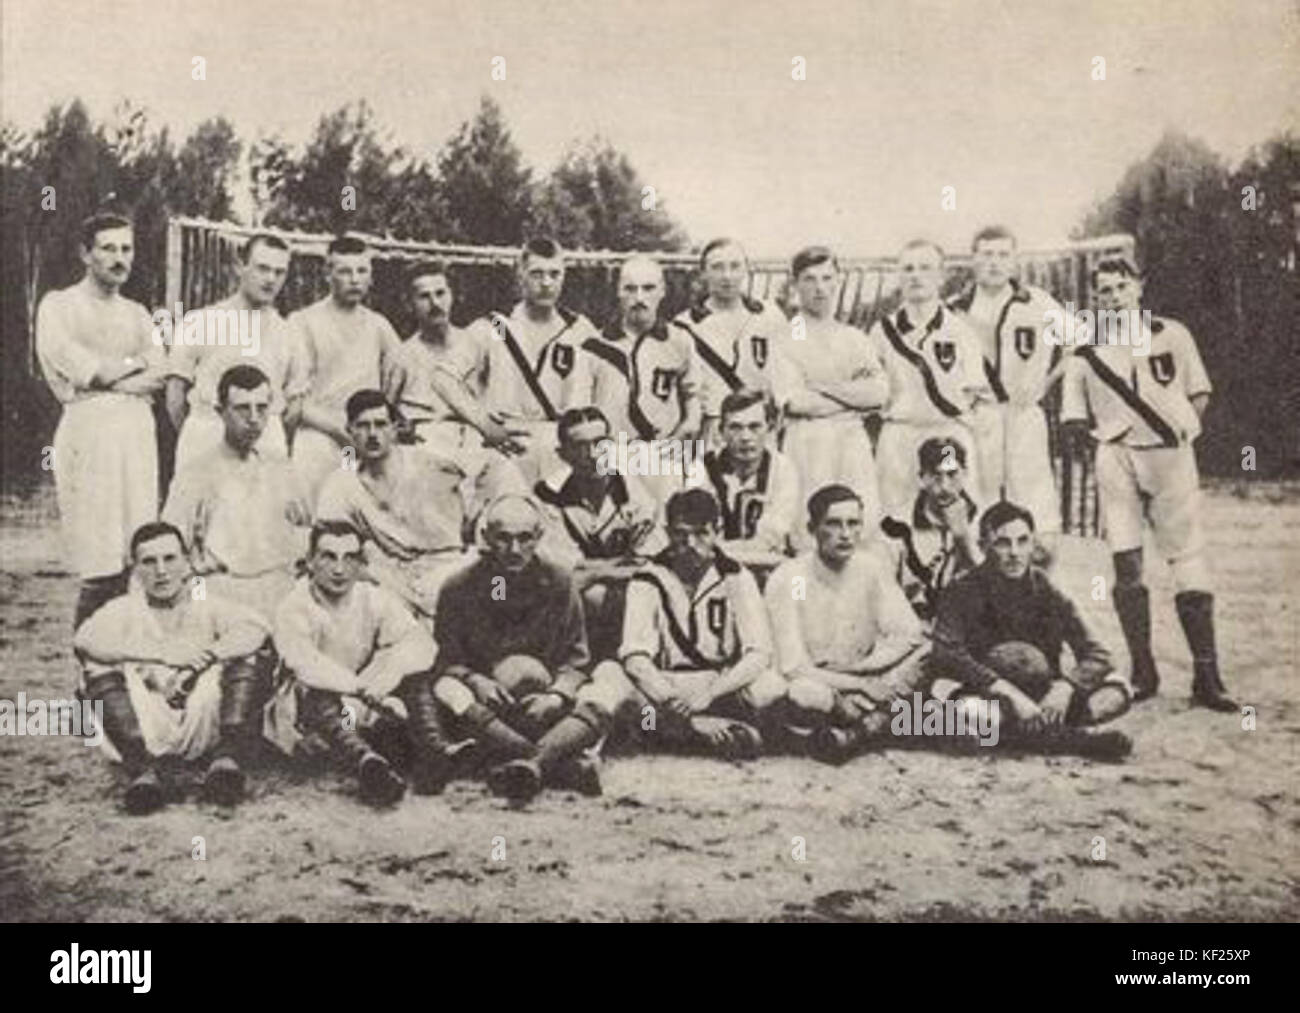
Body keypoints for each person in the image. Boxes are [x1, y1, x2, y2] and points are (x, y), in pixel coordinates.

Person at [1060, 256, 1234, 711]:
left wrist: (1176, 436)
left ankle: (1207, 676)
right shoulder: (1085, 349)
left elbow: (1200, 393)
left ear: (1139, 287)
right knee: (1126, 563)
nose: (1114, 298)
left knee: (1187, 557)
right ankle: (1143, 670)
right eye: (1104, 291)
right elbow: (1074, 417)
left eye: (1121, 288)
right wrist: (1101, 446)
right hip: (1115, 456)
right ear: (1095, 298)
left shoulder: (1172, 335)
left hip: (1171, 458)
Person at [431, 495, 629, 802]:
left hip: (547, 707)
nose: (514, 549)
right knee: (446, 688)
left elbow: (577, 660)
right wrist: (475, 680)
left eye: (524, 538)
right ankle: (561, 763)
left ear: (539, 537)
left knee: (611, 680)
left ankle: (529, 762)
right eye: (503, 538)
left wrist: (556, 694)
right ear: (486, 538)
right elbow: (446, 660)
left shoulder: (561, 582)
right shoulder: (459, 587)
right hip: (490, 711)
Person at [74, 522, 272, 812]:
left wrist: (201, 662)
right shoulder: (126, 608)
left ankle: (226, 759)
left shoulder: (204, 601)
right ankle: (143, 770)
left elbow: (255, 630)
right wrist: (161, 654)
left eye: (170, 559)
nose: (161, 571)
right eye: (149, 562)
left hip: (202, 720)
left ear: (186, 562)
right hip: (145, 725)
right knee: (95, 665)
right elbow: (84, 639)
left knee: (248, 654)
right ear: (135, 569)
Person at [37, 212, 167, 627]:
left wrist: (121, 373)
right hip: (89, 436)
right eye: (108, 248)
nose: (119, 258)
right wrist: (135, 365)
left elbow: (162, 373)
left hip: (137, 439)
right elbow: (91, 372)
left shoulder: (138, 313)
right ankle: (89, 672)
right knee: (100, 562)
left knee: (137, 555)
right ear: (85, 253)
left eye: (126, 249)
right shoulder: (59, 306)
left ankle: (124, 670)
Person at [272, 521, 461, 802]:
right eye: (328, 557)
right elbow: (304, 662)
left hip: (364, 704)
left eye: (350, 558)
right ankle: (367, 764)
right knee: (315, 692)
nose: (339, 569)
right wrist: (361, 689)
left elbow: (420, 642)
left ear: (361, 564)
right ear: (310, 561)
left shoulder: (372, 599)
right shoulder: (294, 606)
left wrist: (389, 675)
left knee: (414, 673)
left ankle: (435, 752)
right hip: (313, 715)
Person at [928, 501, 1133, 760]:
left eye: (1022, 541)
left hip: (1044, 696)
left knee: (1119, 691)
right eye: (1003, 543)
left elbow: (1098, 652)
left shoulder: (1046, 588)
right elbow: (945, 651)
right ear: (983, 546)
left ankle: (1024, 735)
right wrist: (1004, 690)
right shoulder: (962, 589)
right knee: (963, 708)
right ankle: (1072, 739)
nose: (1014, 552)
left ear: (1033, 544)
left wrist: (1066, 688)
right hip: (991, 698)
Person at [315, 389, 524, 622]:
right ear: (349, 431)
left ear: (395, 428)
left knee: (498, 597)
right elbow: (328, 537)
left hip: (452, 564)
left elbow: (496, 465)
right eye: (363, 426)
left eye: (381, 424)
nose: (373, 434)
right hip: (397, 578)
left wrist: (477, 522)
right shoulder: (343, 482)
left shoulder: (430, 458)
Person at [616, 488, 787, 758]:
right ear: (668, 532)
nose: (692, 544)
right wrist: (669, 698)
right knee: (625, 693)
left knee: (771, 686)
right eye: (681, 534)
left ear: (717, 531)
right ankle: (697, 730)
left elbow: (759, 652)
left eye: (701, 533)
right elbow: (634, 655)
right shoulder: (647, 578)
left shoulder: (736, 575)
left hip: (719, 688)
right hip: (667, 686)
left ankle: (686, 732)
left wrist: (711, 694)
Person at [765, 485, 928, 763]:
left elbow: (908, 635)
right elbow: (794, 666)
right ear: (812, 528)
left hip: (866, 676)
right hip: (820, 681)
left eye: (853, 524)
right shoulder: (795, 579)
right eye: (833, 524)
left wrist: (863, 672)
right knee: (803, 693)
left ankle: (857, 729)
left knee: (929, 651)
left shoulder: (870, 569)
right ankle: (871, 722)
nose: (845, 534)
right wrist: (856, 684)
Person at [947, 225, 1065, 556]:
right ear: (973, 259)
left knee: (1032, 499)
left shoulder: (1038, 303)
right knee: (978, 496)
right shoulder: (956, 308)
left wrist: (1047, 382)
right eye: (986, 254)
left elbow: (1079, 344)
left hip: (1023, 412)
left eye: (1002, 255)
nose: (994, 263)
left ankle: (1036, 586)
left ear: (1014, 261)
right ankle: (981, 578)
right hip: (979, 413)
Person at [163, 364, 311, 621]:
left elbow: (305, 536)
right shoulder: (195, 474)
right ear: (221, 412)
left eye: (262, 408)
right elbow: (168, 550)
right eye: (243, 408)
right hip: (221, 591)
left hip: (279, 589)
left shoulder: (283, 469)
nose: (254, 418)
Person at [869, 239, 995, 520]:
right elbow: (872, 391)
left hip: (948, 435)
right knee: (896, 521)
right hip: (899, 437)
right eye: (908, 269)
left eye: (925, 268)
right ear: (899, 276)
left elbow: (977, 394)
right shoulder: (881, 332)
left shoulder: (961, 330)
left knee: (954, 518)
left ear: (940, 276)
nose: (916, 276)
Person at [166, 232, 304, 472]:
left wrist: (269, 432)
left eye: (279, 272)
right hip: (207, 435)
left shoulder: (289, 332)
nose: (271, 279)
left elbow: (294, 408)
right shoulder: (201, 321)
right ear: (240, 267)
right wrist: (201, 433)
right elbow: (175, 397)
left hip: (265, 441)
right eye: (262, 268)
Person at [772, 246, 888, 531]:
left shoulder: (854, 338)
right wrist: (853, 397)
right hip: (808, 440)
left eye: (826, 278)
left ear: (838, 281)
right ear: (796, 284)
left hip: (851, 442)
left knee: (860, 524)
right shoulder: (785, 338)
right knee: (809, 524)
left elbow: (879, 393)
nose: (819, 288)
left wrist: (823, 386)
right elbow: (795, 402)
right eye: (809, 279)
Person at [534, 406, 665, 659]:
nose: (593, 454)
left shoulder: (637, 491)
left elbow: (649, 563)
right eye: (580, 446)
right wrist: (616, 566)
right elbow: (566, 571)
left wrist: (600, 569)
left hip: (629, 590)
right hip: (575, 596)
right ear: (563, 454)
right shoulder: (548, 497)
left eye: (600, 442)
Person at [477, 237, 602, 485]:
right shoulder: (501, 326)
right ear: (520, 275)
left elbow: (607, 388)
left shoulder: (579, 329)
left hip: (563, 450)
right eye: (537, 274)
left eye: (554, 274)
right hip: (509, 448)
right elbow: (444, 377)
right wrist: (483, 424)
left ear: (564, 276)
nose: (546, 283)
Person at [287, 236, 404, 498]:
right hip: (321, 431)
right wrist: (339, 430)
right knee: (312, 493)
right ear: (328, 274)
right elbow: (296, 399)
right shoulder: (303, 322)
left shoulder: (379, 326)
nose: (354, 279)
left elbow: (397, 376)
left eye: (362, 271)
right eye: (344, 271)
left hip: (367, 431)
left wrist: (377, 421)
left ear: (371, 276)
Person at [585, 255, 702, 505]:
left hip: (662, 455)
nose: (639, 298)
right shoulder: (593, 345)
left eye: (648, 288)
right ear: (618, 292)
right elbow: (582, 408)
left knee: (662, 529)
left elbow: (694, 396)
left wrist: (682, 434)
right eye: (630, 288)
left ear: (662, 291)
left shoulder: (679, 340)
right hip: (611, 455)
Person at [389, 260, 527, 458]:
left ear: (453, 296)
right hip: (426, 447)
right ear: (409, 304)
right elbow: (385, 411)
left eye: (440, 293)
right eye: (424, 297)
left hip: (479, 442)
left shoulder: (476, 342)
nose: (435, 303)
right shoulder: (401, 356)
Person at [670, 238, 787, 447]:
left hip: (760, 428)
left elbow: (785, 371)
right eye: (717, 267)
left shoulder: (770, 316)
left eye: (735, 266)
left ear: (746, 270)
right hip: (713, 431)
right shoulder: (684, 324)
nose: (727, 276)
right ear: (703, 273)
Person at [686, 387, 800, 565]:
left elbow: (770, 540)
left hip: (767, 566)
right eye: (735, 428)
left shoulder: (783, 469)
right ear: (721, 431)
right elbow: (699, 538)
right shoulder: (701, 469)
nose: (746, 437)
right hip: (713, 569)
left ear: (769, 428)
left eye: (754, 427)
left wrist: (719, 550)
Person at [879, 437, 982, 623]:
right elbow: (883, 593)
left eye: (952, 475)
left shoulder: (982, 521)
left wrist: (963, 537)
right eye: (936, 476)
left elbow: (998, 587)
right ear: (921, 478)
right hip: (912, 626)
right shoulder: (896, 526)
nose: (944, 486)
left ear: (965, 473)